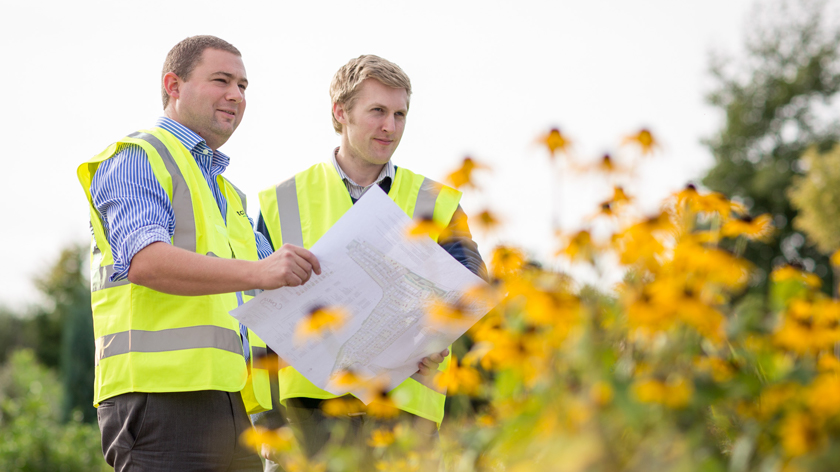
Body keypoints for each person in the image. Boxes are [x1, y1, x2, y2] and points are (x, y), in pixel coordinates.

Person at [77, 35, 321, 472]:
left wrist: (401, 346)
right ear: (173, 84)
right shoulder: (138, 157)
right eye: (221, 80)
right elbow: (145, 260)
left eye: (243, 86)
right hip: (157, 403)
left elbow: (279, 302)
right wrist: (262, 272)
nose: (236, 95)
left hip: (233, 406)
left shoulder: (227, 195)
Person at [255, 54, 487, 468]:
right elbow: (256, 321)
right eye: (378, 111)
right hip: (309, 414)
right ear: (340, 112)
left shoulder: (437, 202)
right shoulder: (280, 202)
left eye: (400, 114)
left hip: (406, 412)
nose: (391, 127)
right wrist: (267, 419)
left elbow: (470, 288)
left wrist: (440, 337)